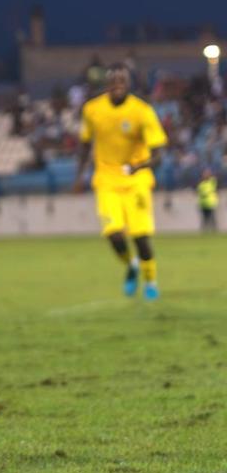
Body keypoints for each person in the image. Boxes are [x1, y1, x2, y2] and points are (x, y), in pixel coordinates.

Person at [73, 64, 167, 300]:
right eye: (113, 81)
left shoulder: (142, 111)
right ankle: (132, 264)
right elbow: (85, 144)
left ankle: (151, 282)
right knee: (114, 234)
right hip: (106, 178)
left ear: (128, 84)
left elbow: (158, 154)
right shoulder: (92, 110)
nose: (117, 85)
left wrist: (139, 166)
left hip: (136, 179)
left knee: (140, 237)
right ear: (107, 84)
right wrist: (79, 175)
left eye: (121, 81)